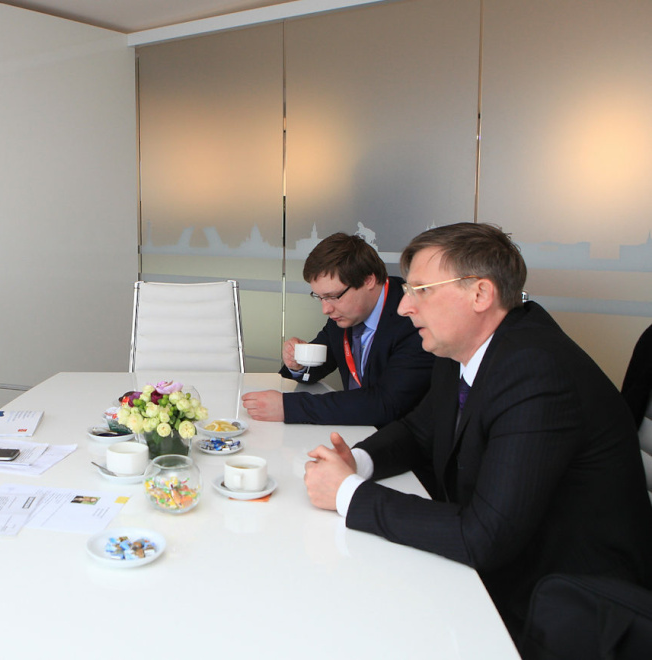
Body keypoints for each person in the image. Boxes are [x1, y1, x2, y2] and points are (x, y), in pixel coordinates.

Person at [303, 223, 652, 639]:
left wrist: (347, 493)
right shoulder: (462, 346)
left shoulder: (535, 369)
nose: (404, 307)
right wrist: (357, 461)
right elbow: (418, 430)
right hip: (509, 570)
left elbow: (483, 537)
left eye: (420, 290)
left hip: (570, 605)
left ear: (480, 294)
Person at [242, 232, 433, 427]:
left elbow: (386, 404)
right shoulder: (345, 313)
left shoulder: (413, 318)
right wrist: (298, 363)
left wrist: (288, 407)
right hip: (355, 431)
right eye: (320, 297)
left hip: (400, 438)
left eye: (333, 296)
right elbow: (320, 364)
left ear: (368, 280)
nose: (326, 309)